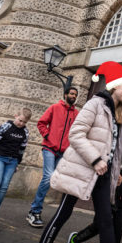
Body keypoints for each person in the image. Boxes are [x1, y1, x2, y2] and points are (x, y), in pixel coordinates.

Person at [19, 61, 122, 243]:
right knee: (62, 214)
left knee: (106, 222)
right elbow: (76, 134)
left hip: (103, 175)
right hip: (82, 170)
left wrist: (115, 172)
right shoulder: (95, 104)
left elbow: (113, 150)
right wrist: (95, 160)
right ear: (114, 85)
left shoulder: (119, 115)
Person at [63, 123, 122, 243]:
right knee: (99, 225)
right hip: (109, 196)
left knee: (119, 227)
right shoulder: (114, 150)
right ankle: (75, 240)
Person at [26, 85, 79, 228]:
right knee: (48, 176)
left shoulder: (76, 114)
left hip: (63, 152)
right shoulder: (55, 108)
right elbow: (41, 123)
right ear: (65, 94)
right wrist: (48, 135)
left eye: (75, 95)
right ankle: (35, 211)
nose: (74, 96)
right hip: (49, 148)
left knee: (54, 179)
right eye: (72, 94)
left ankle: (34, 209)